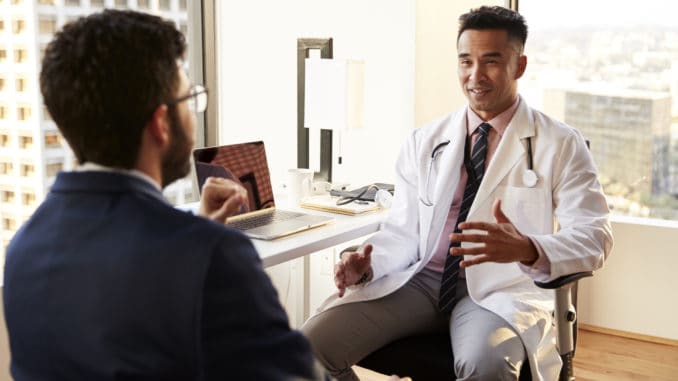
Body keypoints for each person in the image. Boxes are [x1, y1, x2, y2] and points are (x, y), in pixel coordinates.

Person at [3, 10, 325, 381]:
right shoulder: (212, 257)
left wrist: (193, 232)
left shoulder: (23, 249)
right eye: (188, 99)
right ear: (160, 123)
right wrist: (199, 244)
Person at [302, 6, 613, 381]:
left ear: (520, 65)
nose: (475, 76)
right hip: (419, 281)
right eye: (466, 61)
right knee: (305, 349)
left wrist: (528, 248)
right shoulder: (426, 140)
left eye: (491, 61)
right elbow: (401, 232)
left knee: (485, 367)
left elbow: (596, 238)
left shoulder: (560, 143)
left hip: (498, 293)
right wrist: (366, 266)